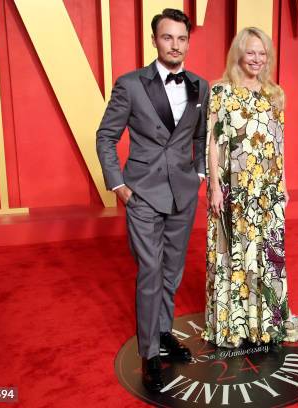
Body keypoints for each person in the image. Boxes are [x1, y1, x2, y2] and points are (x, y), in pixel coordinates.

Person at [96, 9, 208, 392]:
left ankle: (163, 333)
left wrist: (201, 174)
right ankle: (149, 353)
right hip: (142, 194)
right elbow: (105, 137)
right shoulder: (130, 84)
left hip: (183, 195)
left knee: (171, 272)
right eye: (167, 37)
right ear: (154, 40)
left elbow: (200, 138)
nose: (175, 45)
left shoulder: (199, 86)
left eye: (181, 38)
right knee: (150, 272)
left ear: (188, 42)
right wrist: (119, 186)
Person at [202, 27, 298, 348]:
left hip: (267, 189)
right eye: (251, 52)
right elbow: (212, 142)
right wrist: (213, 186)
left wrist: (284, 184)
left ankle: (265, 324)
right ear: (238, 53)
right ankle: (235, 326)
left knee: (266, 255)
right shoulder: (219, 92)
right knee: (234, 256)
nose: (257, 59)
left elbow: (278, 144)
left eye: (262, 53)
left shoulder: (275, 94)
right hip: (232, 188)